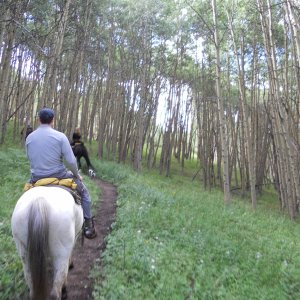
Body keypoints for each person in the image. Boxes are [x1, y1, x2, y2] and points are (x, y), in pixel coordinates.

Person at [25, 108, 96, 239]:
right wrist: (76, 175)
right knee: (85, 193)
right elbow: (71, 161)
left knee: (24, 197)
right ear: (53, 120)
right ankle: (88, 225)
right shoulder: (60, 136)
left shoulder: (29, 137)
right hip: (59, 175)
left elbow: (29, 158)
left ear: (38, 120)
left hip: (36, 178)